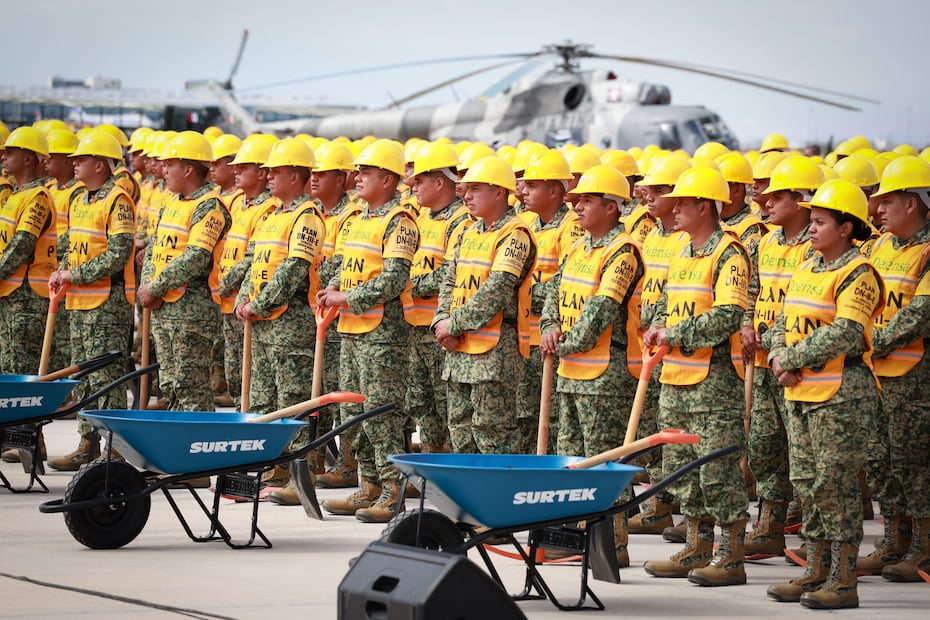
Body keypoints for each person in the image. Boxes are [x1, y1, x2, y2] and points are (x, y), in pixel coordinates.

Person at [765, 179, 884, 609]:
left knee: (835, 485)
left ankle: (843, 577)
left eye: (819, 222)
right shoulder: (807, 267)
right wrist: (780, 356)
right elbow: (781, 320)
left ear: (847, 228)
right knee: (807, 483)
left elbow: (848, 333)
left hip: (841, 393)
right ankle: (815, 568)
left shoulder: (859, 274)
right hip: (800, 391)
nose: (811, 229)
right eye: (810, 222)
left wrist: (791, 358)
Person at [641, 167, 750, 587]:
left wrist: (675, 332)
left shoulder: (729, 253)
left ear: (704, 206)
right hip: (677, 378)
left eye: (682, 203)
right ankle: (697, 546)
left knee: (717, 471)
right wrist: (658, 326)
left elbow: (727, 316)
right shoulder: (682, 251)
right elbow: (673, 305)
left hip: (713, 383)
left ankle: (730, 556)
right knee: (684, 471)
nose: (674, 209)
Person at [540, 164, 643, 566]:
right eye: (576, 201)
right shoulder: (578, 247)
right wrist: (550, 327)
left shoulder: (623, 253)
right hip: (569, 370)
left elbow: (601, 311)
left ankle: (613, 544)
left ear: (612, 207)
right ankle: (573, 537)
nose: (578, 207)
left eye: (586, 200)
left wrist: (565, 342)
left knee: (604, 462)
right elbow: (553, 295)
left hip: (603, 372)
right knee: (571, 459)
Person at [317, 140, 419, 523]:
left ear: (388, 180)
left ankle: (393, 494)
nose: (357, 178)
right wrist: (329, 289)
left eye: (366, 172)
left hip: (382, 334)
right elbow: (341, 265)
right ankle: (369, 485)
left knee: (380, 414)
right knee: (353, 410)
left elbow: (393, 279)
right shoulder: (357, 218)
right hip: (352, 329)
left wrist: (347, 297)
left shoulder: (399, 222)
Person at [234, 138, 325, 503]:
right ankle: (270, 467)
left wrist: (260, 303)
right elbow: (254, 263)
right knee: (264, 398)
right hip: (263, 322)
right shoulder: (272, 215)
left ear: (296, 175)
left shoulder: (307, 218)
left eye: (276, 171)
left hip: (290, 322)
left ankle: (296, 473)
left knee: (292, 399)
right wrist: (245, 300)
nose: (268, 176)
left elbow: (293, 270)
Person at [740, 157, 823, 557]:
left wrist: (774, 343)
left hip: (799, 365)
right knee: (764, 445)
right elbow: (752, 291)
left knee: (804, 451)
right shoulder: (765, 242)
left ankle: (814, 533)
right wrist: (746, 324)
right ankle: (770, 526)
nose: (765, 202)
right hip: (762, 359)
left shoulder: (819, 245)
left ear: (801, 199)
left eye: (776, 196)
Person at [432, 155, 536, 457]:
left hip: (494, 353)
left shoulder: (514, 234)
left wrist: (453, 324)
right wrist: (441, 321)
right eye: (466, 188)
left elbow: (497, 290)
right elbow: (449, 280)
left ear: (499, 192)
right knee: (461, 433)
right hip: (459, 349)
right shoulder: (468, 231)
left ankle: (503, 498)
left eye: (476, 189)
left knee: (493, 434)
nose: (466, 195)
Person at [47, 131, 136, 471]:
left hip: (106, 302)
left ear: (99, 164)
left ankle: (113, 447)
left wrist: (76, 274)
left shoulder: (118, 200)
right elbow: (71, 244)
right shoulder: (79, 198)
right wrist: (62, 269)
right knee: (83, 376)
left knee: (107, 378)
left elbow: (118, 252)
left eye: (81, 159)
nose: (75, 163)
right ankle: (87, 443)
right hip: (78, 302)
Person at [858, 156, 930, 581]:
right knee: (881, 463)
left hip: (913, 379)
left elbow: (919, 314)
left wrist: (864, 342)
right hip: (875, 376)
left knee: (913, 465)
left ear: (916, 204)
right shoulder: (878, 247)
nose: (878, 209)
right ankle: (892, 541)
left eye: (890, 201)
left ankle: (921, 548)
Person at [138, 131, 230, 412]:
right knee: (170, 385)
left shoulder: (209, 207)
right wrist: (147, 288)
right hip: (164, 309)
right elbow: (154, 251)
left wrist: (154, 288)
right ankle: (179, 450)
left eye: (170, 164)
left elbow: (197, 257)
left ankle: (202, 448)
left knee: (190, 386)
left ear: (188, 169)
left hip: (191, 312)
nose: (163, 169)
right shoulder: (172, 202)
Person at [628, 155, 692, 535]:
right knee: (652, 430)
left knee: (674, 433)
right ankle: (660, 503)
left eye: (660, 191)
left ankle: (669, 505)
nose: (649, 197)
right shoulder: (653, 235)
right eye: (648, 190)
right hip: (647, 344)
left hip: (676, 347)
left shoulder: (687, 241)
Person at [401, 141, 472, 454]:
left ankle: (448, 467)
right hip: (415, 325)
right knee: (420, 401)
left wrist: (405, 286)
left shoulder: (461, 221)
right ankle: (430, 462)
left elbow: (449, 274)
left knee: (447, 404)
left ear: (440, 182)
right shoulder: (421, 218)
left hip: (439, 328)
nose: (414, 188)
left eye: (419, 181)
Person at [517, 150, 584, 453]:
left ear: (555, 190)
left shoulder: (571, 228)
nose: (523, 191)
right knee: (526, 417)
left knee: (553, 420)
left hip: (549, 336)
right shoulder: (528, 223)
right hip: (523, 335)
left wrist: (523, 293)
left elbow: (565, 283)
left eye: (532, 186)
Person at [309, 141, 363, 489]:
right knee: (320, 394)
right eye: (312, 173)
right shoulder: (312, 213)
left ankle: (347, 462)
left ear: (343, 178)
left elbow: (341, 265)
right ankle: (313, 459)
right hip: (320, 311)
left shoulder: (352, 216)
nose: (314, 179)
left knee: (341, 392)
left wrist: (324, 288)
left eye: (323, 173)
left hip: (337, 310)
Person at [212, 136, 276, 410]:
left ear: (261, 173)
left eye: (243, 167)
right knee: (235, 371)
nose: (235, 171)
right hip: (229, 301)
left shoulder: (267, 209)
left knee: (251, 375)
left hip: (245, 300)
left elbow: (251, 259)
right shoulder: (237, 203)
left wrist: (222, 285)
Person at [0, 127, 56, 376]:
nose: (3, 157)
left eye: (10, 152)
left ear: (28, 158)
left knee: (21, 369)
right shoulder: (16, 195)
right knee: (7, 367)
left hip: (27, 296)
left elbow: (21, 246)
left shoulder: (38, 197)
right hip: (10, 293)